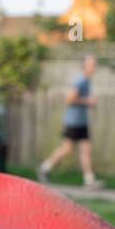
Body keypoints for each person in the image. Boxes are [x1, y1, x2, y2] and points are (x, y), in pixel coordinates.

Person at [38, 54, 104, 189]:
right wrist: (88, 101)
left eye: (94, 65)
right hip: (73, 122)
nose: (94, 68)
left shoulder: (86, 80)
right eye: (91, 65)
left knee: (86, 150)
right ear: (85, 66)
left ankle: (89, 180)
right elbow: (69, 99)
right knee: (67, 149)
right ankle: (45, 168)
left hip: (82, 122)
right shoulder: (81, 81)